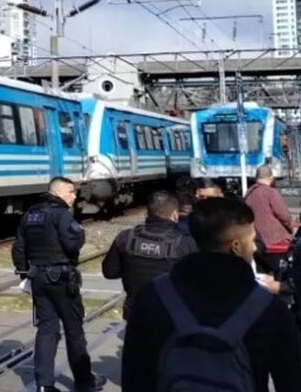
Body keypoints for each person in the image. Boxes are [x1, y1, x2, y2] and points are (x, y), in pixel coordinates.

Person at [121, 197, 301, 391]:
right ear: (236, 247)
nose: (256, 247)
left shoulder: (154, 296)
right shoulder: (269, 309)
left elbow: (134, 377)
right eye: (252, 239)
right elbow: (291, 382)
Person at [12, 177, 106, 392]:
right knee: (74, 331)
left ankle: (44, 385)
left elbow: (18, 247)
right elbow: (72, 243)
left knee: (46, 330)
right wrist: (80, 235)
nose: (75, 196)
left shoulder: (30, 215)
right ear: (58, 192)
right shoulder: (62, 214)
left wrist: (24, 274)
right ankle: (84, 382)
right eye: (71, 192)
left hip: (38, 278)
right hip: (62, 279)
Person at [101, 190, 196, 318]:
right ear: (175, 214)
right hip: (171, 317)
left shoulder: (125, 238)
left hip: (135, 313)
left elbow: (109, 272)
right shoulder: (186, 243)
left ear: (147, 212)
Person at [245, 164, 294, 275]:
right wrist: (290, 228)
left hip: (256, 241)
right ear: (271, 177)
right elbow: (284, 215)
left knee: (262, 274)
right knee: (281, 273)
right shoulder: (271, 192)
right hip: (275, 242)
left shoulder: (248, 193)